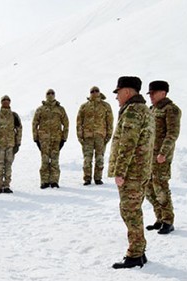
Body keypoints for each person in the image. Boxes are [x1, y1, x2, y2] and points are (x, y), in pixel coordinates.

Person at [108, 76, 155, 269]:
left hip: (132, 172)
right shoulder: (143, 109)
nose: (117, 97)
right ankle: (139, 250)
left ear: (127, 91)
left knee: (129, 211)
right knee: (133, 210)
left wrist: (120, 171)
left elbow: (128, 143)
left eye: (118, 92)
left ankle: (135, 254)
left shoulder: (133, 112)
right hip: (140, 170)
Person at [145, 80, 181, 234]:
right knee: (148, 188)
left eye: (153, 93)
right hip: (148, 156)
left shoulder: (171, 109)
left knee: (160, 187)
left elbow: (172, 134)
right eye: (150, 93)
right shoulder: (151, 109)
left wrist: (163, 153)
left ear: (163, 93)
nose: (151, 96)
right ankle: (159, 218)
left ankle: (168, 220)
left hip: (161, 157)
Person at [76, 86, 114, 185]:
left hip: (100, 136)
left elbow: (109, 122)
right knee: (87, 159)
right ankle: (87, 178)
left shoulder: (105, 106)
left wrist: (108, 136)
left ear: (99, 92)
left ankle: (98, 178)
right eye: (92, 91)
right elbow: (79, 122)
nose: (94, 93)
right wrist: (80, 136)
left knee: (99, 158)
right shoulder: (84, 106)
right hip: (87, 137)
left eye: (96, 91)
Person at [32, 89, 69, 188]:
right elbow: (35, 123)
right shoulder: (41, 109)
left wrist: (64, 139)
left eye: (52, 93)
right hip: (43, 140)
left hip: (56, 139)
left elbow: (66, 124)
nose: (50, 95)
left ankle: (54, 181)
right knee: (44, 161)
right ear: (45, 95)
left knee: (54, 161)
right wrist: (36, 139)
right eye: (48, 93)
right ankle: (44, 181)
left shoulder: (60, 109)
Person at [0, 95, 22, 194]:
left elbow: (19, 129)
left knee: (8, 166)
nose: (6, 101)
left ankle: (7, 186)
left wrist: (18, 144)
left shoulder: (14, 116)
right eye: (4, 100)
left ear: (10, 102)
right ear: (1, 102)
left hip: (11, 145)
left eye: (7, 100)